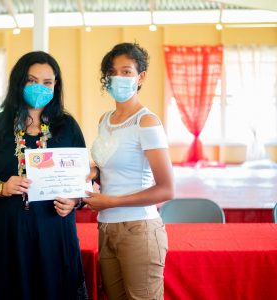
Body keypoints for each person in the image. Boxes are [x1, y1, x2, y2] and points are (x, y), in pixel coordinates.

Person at [0, 51, 88, 300]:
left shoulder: (67, 126)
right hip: (8, 231)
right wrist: (1, 187)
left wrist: (75, 201)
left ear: (56, 85)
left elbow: (83, 179)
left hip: (55, 230)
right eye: (31, 80)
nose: (39, 87)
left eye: (47, 82)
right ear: (19, 82)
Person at [84, 42, 174, 300]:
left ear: (140, 77)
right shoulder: (104, 120)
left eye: (126, 71)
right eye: (113, 72)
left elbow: (167, 189)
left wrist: (111, 201)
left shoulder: (146, 121)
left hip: (140, 229)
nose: (119, 78)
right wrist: (91, 173)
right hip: (105, 228)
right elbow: (108, 167)